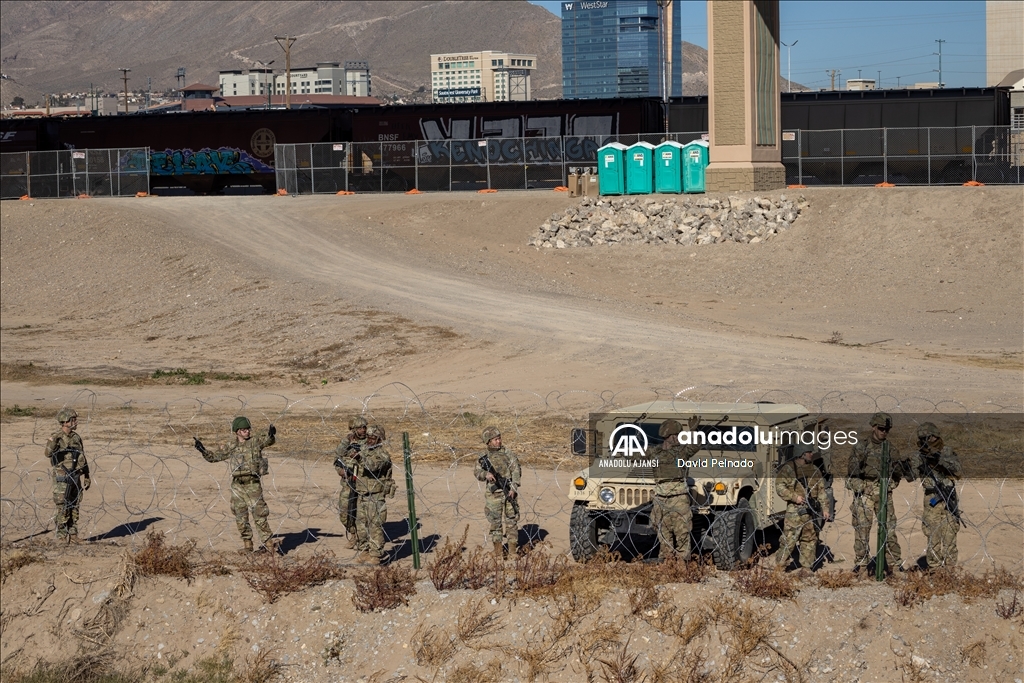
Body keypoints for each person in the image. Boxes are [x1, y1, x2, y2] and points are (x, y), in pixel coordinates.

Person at [194, 417, 277, 554]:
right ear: (237, 432)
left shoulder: (255, 442)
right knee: (241, 516)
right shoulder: (231, 446)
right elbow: (214, 457)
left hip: (253, 484)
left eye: (248, 429)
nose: (247, 432)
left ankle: (269, 545)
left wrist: (271, 434)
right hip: (237, 485)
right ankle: (247, 545)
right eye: (244, 430)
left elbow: (268, 441)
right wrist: (203, 450)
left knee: (259, 514)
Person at [846, 412, 912, 574]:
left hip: (884, 492)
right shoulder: (861, 448)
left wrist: (890, 485)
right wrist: (863, 487)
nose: (884, 432)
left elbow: (898, 474)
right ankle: (861, 565)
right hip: (865, 493)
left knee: (889, 530)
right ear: (873, 427)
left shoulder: (891, 449)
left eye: (887, 429)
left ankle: (893, 564)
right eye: (881, 428)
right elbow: (851, 475)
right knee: (862, 530)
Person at [651, 416, 701, 560]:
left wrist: (694, 431)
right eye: (677, 435)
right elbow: (634, 456)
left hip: (679, 498)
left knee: (683, 535)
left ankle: (681, 567)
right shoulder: (655, 453)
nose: (678, 438)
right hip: (661, 500)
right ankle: (668, 566)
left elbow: (696, 445)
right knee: (663, 535)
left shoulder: (682, 452)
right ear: (670, 437)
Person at [775, 444, 831, 570]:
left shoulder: (815, 470)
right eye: (809, 452)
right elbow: (779, 486)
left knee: (809, 539)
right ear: (802, 454)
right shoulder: (789, 469)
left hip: (810, 510)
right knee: (788, 540)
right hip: (795, 510)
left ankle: (806, 568)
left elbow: (821, 491)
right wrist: (794, 497)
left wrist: (825, 509)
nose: (812, 454)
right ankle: (780, 567)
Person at [916, 422, 963, 569]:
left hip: (948, 496)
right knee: (933, 535)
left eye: (928, 437)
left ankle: (949, 568)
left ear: (935, 436)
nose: (926, 441)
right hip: (932, 498)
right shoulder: (920, 456)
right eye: (923, 438)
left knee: (950, 535)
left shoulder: (947, 452)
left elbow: (958, 471)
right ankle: (934, 569)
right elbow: (910, 473)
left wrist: (940, 459)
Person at [348, 425, 396, 564]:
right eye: (368, 437)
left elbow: (372, 467)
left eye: (373, 438)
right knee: (361, 525)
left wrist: (360, 455)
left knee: (375, 526)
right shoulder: (365, 451)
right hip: (361, 493)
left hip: (375, 495)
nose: (369, 440)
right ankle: (365, 550)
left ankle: (375, 555)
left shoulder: (383, 454)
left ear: (380, 439)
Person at [474, 426, 521, 559]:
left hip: (509, 492)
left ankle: (512, 552)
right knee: (495, 523)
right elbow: (477, 472)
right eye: (495, 439)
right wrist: (486, 474)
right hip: (493, 495)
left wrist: (513, 488)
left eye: (499, 439)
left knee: (511, 521)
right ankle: (498, 552)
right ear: (488, 441)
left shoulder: (508, 454)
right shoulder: (484, 458)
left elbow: (516, 470)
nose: (498, 442)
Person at [45, 409, 90, 545]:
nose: (76, 422)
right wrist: (54, 441)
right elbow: (47, 453)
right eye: (73, 419)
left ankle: (74, 534)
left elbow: (82, 457)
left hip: (75, 475)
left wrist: (87, 475)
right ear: (66, 421)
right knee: (63, 506)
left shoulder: (76, 437)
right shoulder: (57, 437)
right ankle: (62, 536)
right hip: (62, 476)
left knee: (74, 506)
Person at [334, 416, 368, 548]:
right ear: (354, 429)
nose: (363, 430)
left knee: (361, 514)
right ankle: (353, 534)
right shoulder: (346, 441)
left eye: (364, 427)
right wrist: (340, 470)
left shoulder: (370, 441)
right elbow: (337, 457)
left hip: (363, 483)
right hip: (348, 483)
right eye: (360, 428)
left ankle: (361, 539)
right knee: (345, 512)